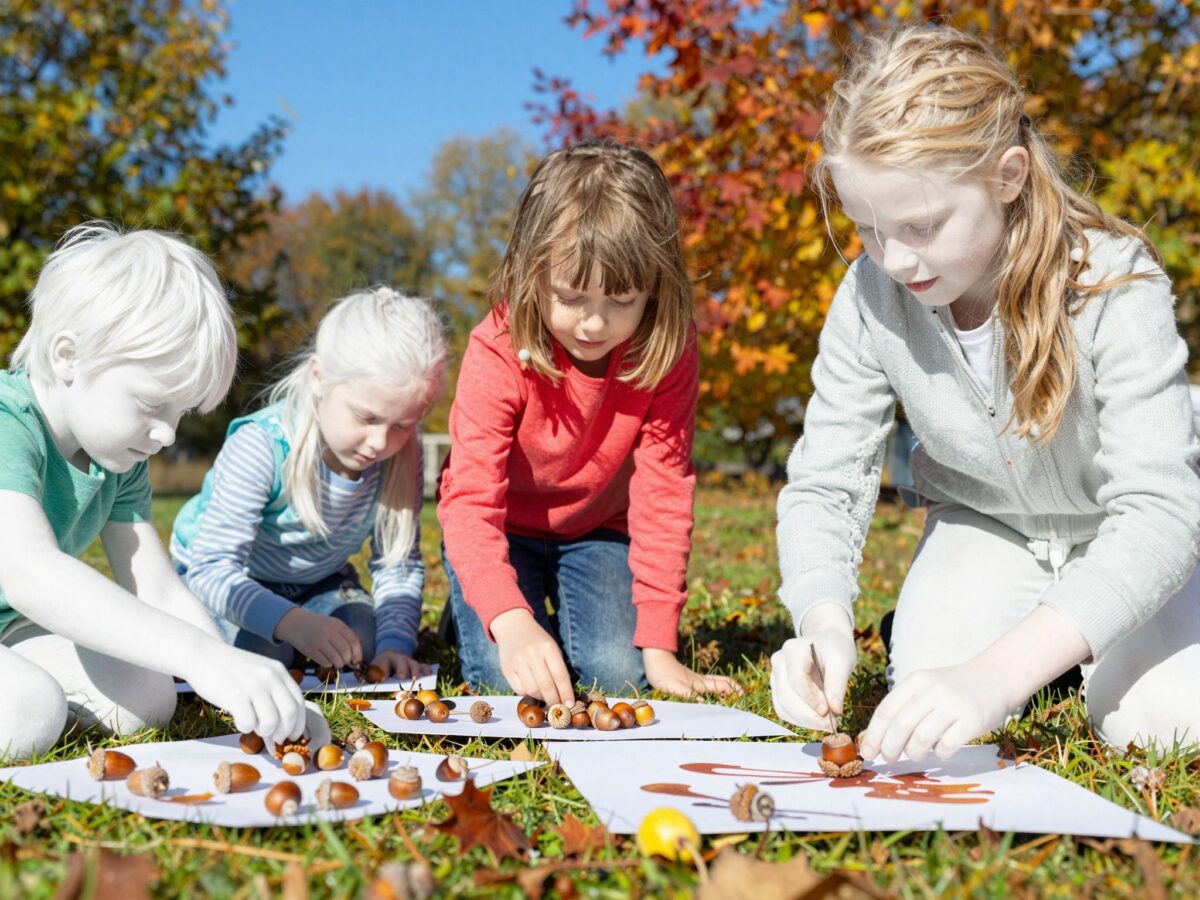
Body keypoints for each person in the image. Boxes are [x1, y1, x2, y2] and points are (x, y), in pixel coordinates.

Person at [772, 26, 1200, 761]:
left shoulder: (1115, 281)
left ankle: (1075, 652)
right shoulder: (872, 293)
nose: (895, 258)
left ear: (1006, 178)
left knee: (1165, 723)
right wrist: (822, 622)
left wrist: (997, 677)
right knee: (926, 690)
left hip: (1127, 532)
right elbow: (827, 480)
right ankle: (1063, 646)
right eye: (867, 228)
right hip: (993, 526)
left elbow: (1160, 514)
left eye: (922, 225)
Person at [438, 140, 740, 705]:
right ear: (532, 272)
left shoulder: (666, 349)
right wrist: (510, 621)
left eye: (622, 299)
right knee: (513, 686)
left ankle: (527, 609)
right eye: (571, 296)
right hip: (501, 529)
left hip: (596, 531)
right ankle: (479, 603)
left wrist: (659, 647)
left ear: (655, 286)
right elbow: (470, 501)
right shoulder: (498, 348)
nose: (595, 322)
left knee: (616, 677)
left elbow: (663, 491)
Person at [0, 223, 310, 760]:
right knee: (30, 709)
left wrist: (241, 679)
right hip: (22, 605)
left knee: (147, 697)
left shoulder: (115, 455)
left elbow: (157, 591)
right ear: (69, 356)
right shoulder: (8, 423)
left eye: (179, 413)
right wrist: (199, 656)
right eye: (150, 406)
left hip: (11, 628)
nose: (167, 434)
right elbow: (29, 572)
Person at [172, 288, 445, 682]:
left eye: (402, 425)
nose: (381, 443)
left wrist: (394, 647)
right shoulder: (262, 445)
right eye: (366, 418)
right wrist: (291, 623)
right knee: (261, 652)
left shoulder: (401, 457)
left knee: (362, 644)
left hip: (316, 582)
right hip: (228, 578)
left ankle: (297, 636)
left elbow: (397, 563)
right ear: (318, 378)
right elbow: (212, 569)